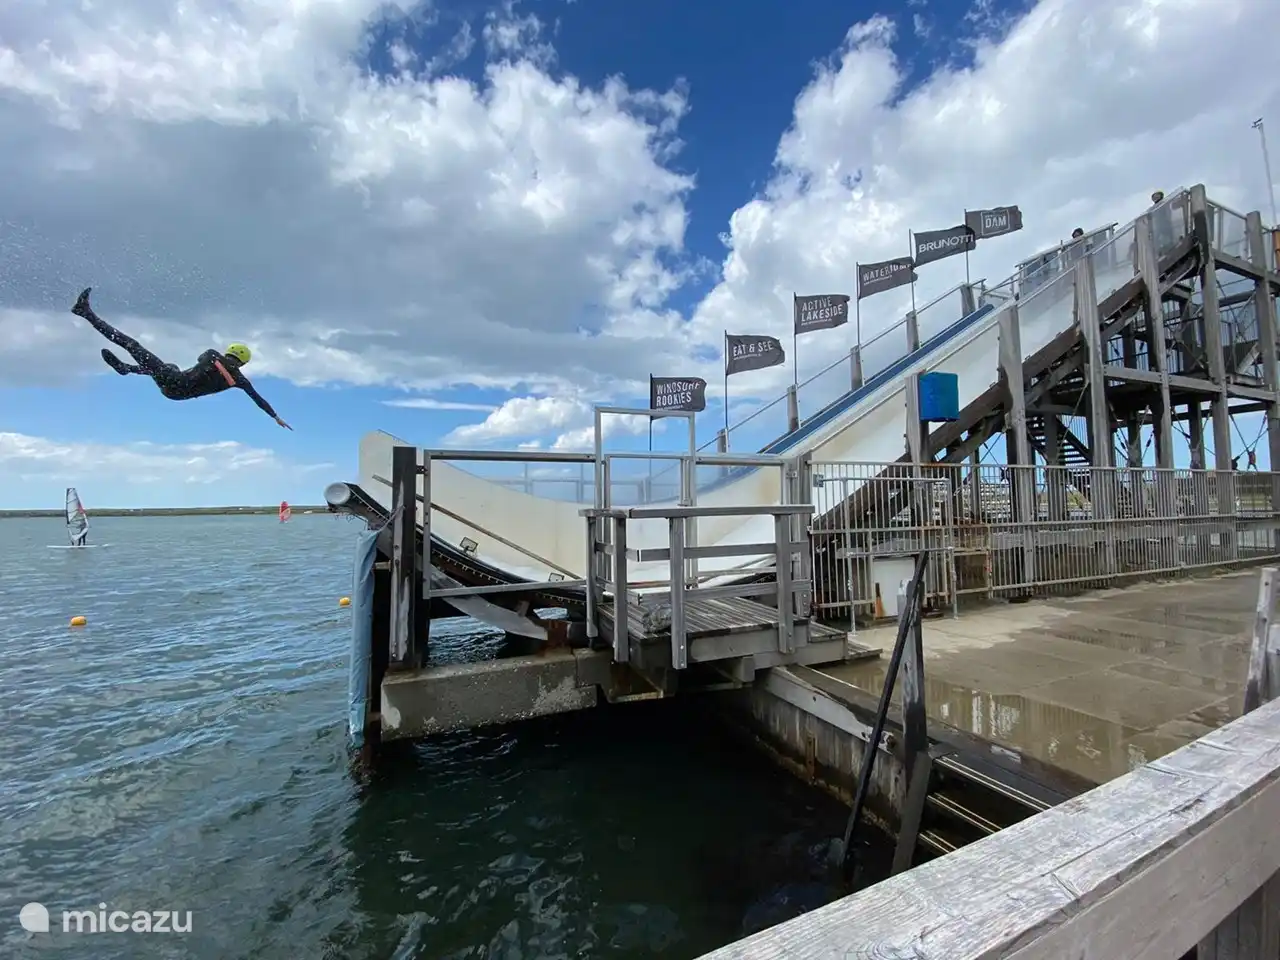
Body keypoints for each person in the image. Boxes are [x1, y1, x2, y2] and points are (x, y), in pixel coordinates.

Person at [72, 288, 291, 430]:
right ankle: (127, 369)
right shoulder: (241, 380)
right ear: (243, 362)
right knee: (169, 367)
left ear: (229, 351)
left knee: (130, 344)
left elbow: (201, 357)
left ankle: (86, 313)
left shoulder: (213, 354)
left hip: (174, 379)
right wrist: (276, 418)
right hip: (175, 395)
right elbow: (259, 400)